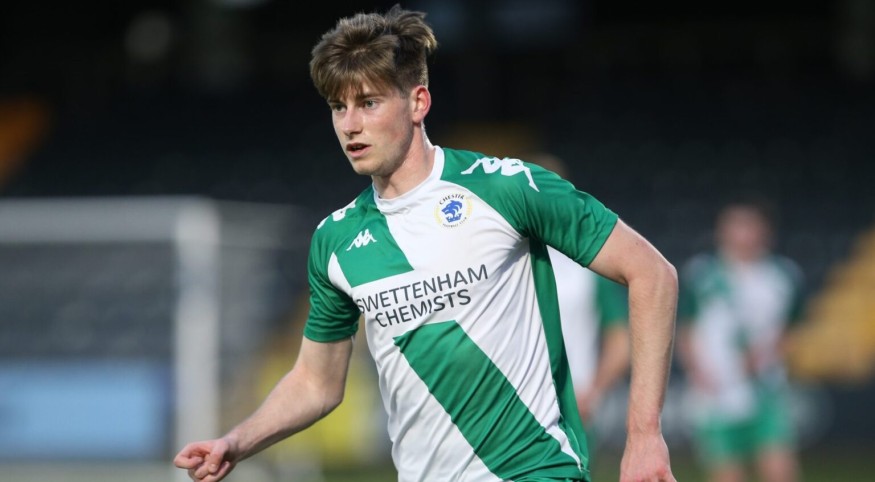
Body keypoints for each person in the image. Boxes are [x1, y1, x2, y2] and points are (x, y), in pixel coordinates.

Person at [174, 5, 678, 482]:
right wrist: (236, 442)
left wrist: (644, 434)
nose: (350, 125)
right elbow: (315, 382)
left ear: (418, 102)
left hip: (534, 470)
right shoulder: (336, 240)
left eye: (368, 103)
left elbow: (652, 273)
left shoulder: (505, 187)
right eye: (338, 107)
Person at [677, 197, 804, 482]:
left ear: (764, 231)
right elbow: (686, 328)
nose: (742, 234)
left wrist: (770, 355)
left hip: (766, 389)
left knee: (780, 470)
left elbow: (791, 328)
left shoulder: (783, 276)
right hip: (717, 393)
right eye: (735, 226)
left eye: (749, 226)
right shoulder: (703, 274)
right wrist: (697, 370)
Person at [529, 153, 631, 452]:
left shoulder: (589, 266)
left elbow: (620, 339)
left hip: (574, 406)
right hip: (511, 404)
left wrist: (594, 391)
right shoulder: (498, 260)